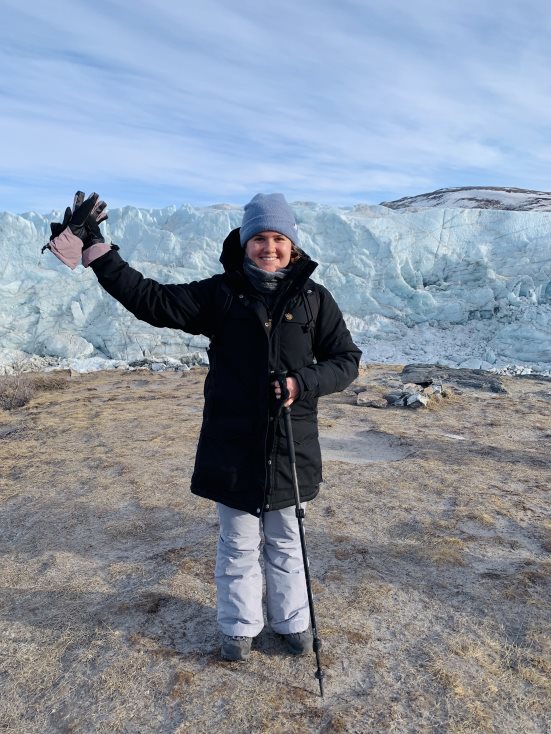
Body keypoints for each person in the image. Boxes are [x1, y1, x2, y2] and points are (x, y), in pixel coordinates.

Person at [46, 191, 361, 661]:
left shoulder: (315, 300)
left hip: (291, 444)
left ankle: (292, 620)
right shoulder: (221, 295)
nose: (269, 248)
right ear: (244, 241)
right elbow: (151, 299)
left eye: (278, 239)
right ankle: (238, 627)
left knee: (285, 541)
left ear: (292, 246)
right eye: (259, 238)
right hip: (231, 444)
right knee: (236, 543)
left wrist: (303, 382)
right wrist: (99, 254)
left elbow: (347, 361)